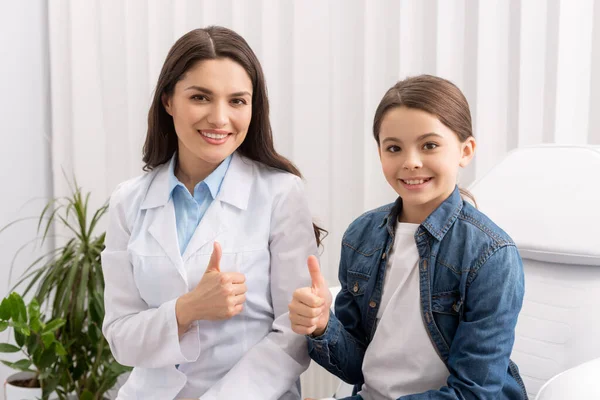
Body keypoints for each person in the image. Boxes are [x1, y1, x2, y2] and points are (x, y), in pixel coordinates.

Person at [101, 26, 325, 400]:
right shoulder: (128, 202)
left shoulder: (281, 193)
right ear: (168, 100)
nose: (220, 118)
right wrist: (187, 309)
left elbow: (292, 336)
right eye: (201, 97)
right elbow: (121, 337)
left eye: (237, 101)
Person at [289, 75, 527, 399]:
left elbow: (474, 393)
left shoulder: (491, 255)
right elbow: (357, 366)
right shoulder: (361, 236)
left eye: (429, 145)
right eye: (394, 148)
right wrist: (321, 325)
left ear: (465, 150)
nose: (410, 162)